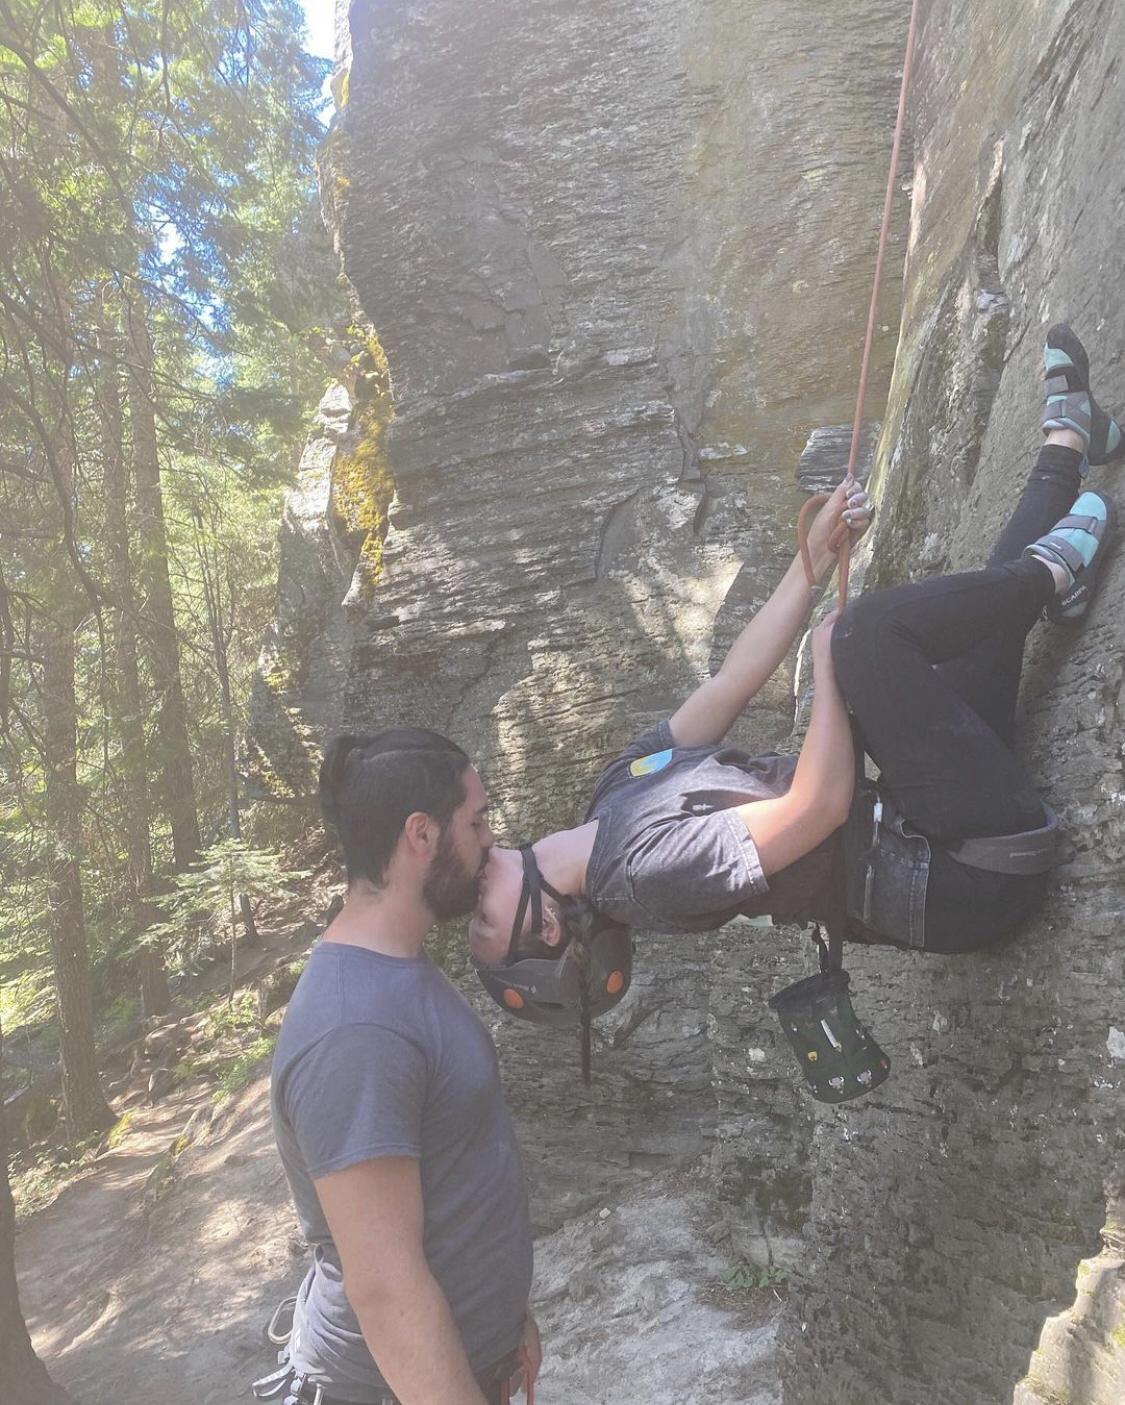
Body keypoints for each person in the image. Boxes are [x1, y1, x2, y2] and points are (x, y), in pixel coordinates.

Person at [468, 325, 1120, 1031]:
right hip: (966, 875)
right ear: (548, 929)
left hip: (931, 817)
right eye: (480, 920)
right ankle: (1049, 573)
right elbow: (817, 806)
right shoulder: (645, 878)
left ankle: (1066, 443)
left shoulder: (612, 798)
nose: (466, 897)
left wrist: (813, 555)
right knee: (866, 637)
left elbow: (730, 683)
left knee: (962, 625)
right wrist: (831, 659)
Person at [261, 728, 540, 1405]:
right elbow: (385, 1289)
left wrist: (506, 1326)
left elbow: (458, 1164)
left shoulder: (398, 965)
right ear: (421, 834)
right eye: (474, 821)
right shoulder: (355, 1027)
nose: (489, 843)